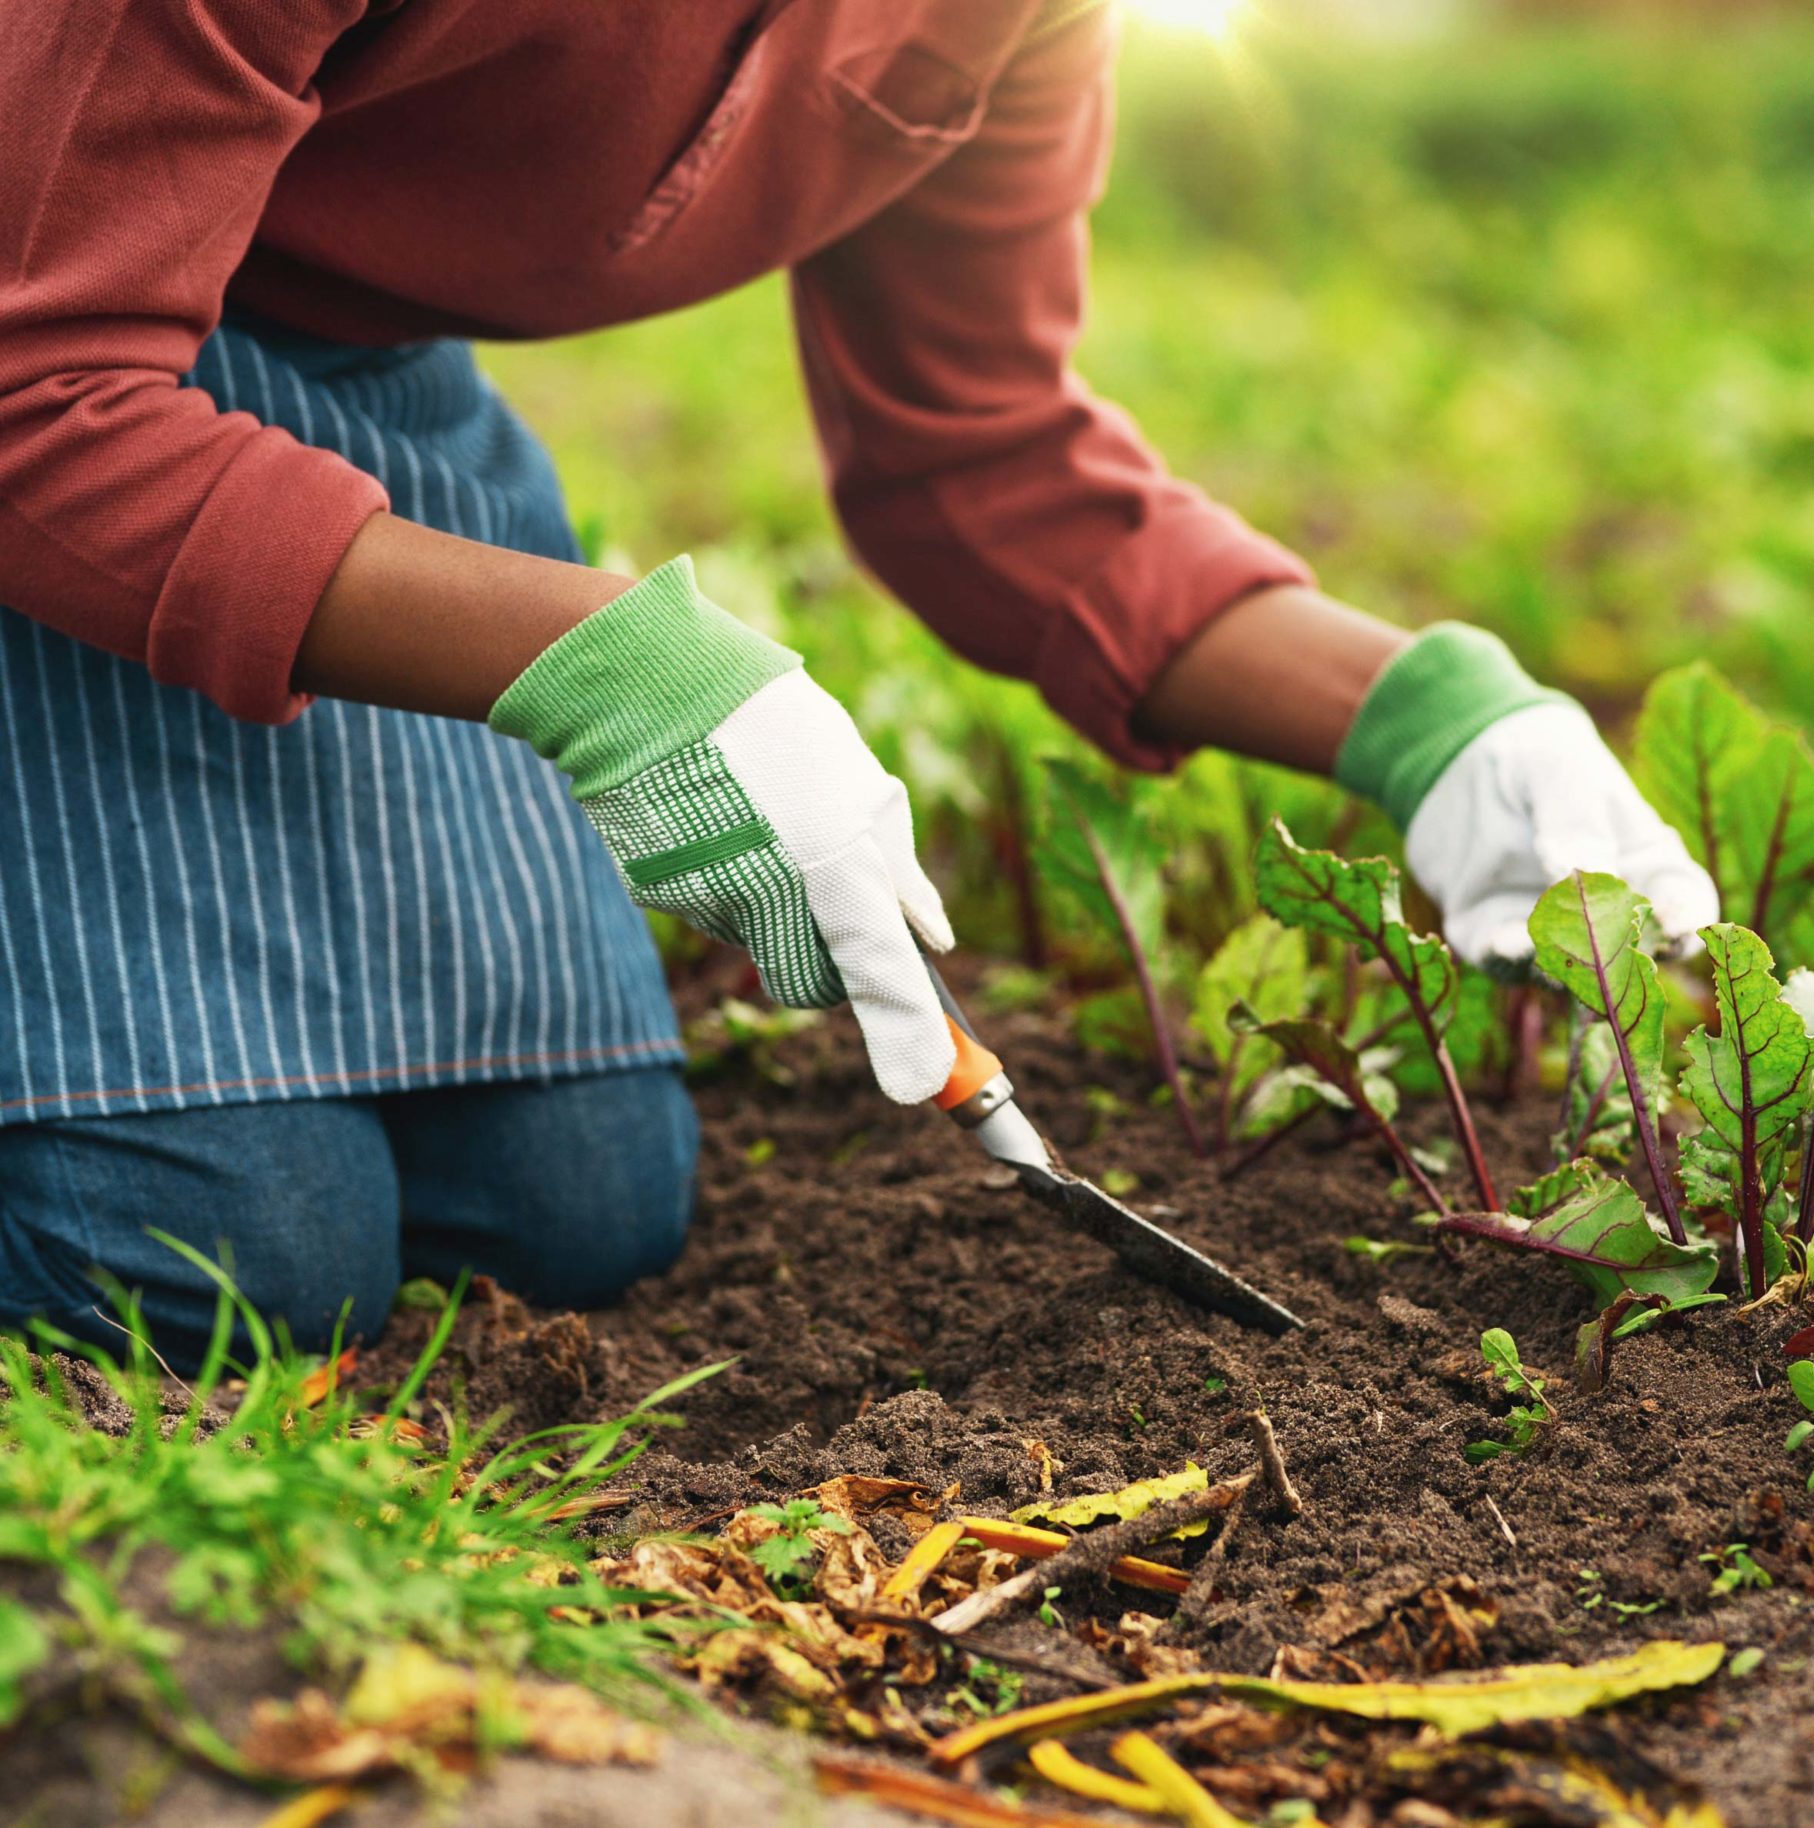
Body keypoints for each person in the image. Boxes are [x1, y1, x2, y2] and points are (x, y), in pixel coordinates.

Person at [0, 0, 1716, 1360]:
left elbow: (984, 456)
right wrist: (611, 668)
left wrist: (1437, 722)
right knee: (219, 1256)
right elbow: (39, 384)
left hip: (348, 397)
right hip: (55, 373)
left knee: (575, 1209)